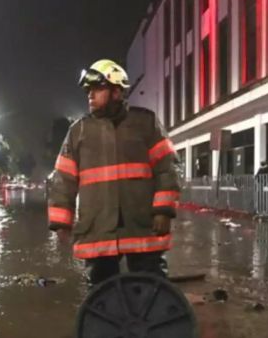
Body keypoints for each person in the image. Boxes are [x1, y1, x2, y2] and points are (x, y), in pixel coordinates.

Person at [48, 59, 180, 287]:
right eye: (88, 90)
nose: (90, 95)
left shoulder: (145, 123)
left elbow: (167, 167)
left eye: (97, 89)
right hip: (98, 228)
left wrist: (163, 212)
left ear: (117, 92)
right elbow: (63, 179)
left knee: (152, 287)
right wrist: (61, 222)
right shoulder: (78, 131)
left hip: (141, 224)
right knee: (101, 291)